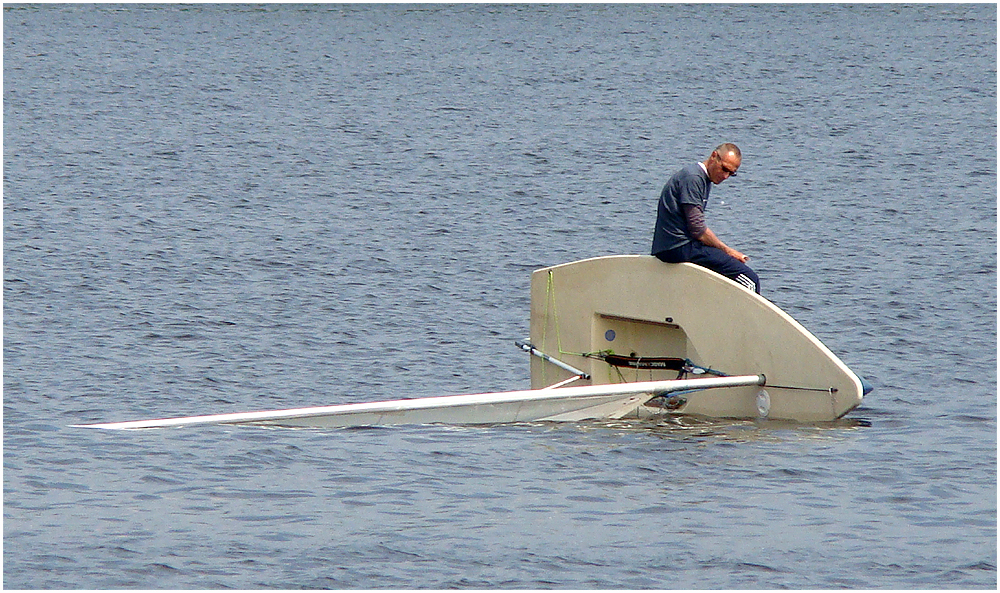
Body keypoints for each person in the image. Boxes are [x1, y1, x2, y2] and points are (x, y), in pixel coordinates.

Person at [650, 143, 760, 293]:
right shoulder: (693, 178)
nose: (725, 176)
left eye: (731, 173)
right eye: (724, 169)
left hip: (678, 245)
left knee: (727, 271)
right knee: (749, 279)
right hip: (677, 247)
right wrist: (728, 251)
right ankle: (749, 317)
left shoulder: (703, 178)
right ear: (714, 156)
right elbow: (698, 229)